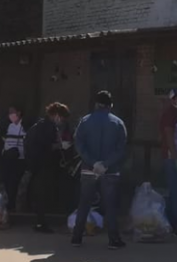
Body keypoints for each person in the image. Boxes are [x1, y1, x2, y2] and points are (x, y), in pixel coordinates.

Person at [71, 90, 127, 250]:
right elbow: (121, 149)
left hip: (88, 169)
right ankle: (113, 239)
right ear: (111, 105)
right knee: (110, 205)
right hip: (110, 171)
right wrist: (105, 164)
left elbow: (79, 145)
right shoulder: (118, 123)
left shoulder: (84, 121)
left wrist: (93, 162)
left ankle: (76, 238)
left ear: (96, 104)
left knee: (84, 204)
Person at [25, 102, 69, 233]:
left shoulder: (39, 125)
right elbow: (45, 146)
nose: (62, 121)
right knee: (42, 194)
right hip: (44, 164)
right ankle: (41, 223)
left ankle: (40, 221)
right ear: (56, 115)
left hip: (36, 164)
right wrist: (60, 146)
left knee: (39, 193)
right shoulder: (47, 127)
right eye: (61, 118)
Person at [159, 88, 177, 236]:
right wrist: (176, 158)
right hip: (172, 159)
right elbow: (169, 136)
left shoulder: (176, 114)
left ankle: (170, 223)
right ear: (172, 100)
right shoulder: (170, 114)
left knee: (174, 192)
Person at [1, 105, 27, 211]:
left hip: (20, 159)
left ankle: (16, 206)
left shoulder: (25, 126)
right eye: (9, 112)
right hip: (8, 158)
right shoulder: (10, 126)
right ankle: (10, 204)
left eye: (13, 112)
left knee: (17, 183)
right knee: (8, 182)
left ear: (19, 113)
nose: (11, 115)